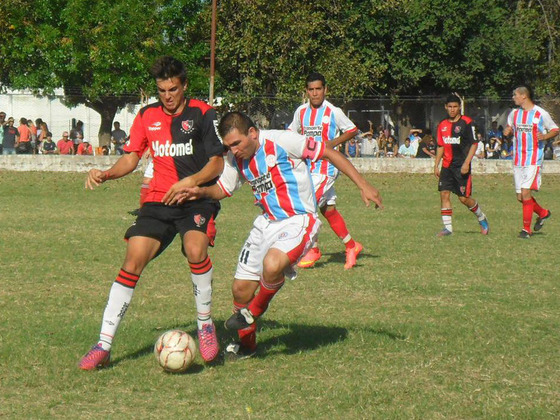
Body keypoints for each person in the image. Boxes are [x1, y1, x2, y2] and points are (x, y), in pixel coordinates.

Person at [162, 111, 383, 359]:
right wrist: (199, 192)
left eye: (236, 143)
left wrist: (363, 185)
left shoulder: (282, 141)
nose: (233, 150)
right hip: (266, 223)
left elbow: (329, 152)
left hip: (299, 219)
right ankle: (247, 346)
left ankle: (253, 312)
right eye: (228, 146)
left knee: (273, 264)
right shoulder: (235, 159)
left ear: (253, 133)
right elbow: (223, 188)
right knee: (240, 290)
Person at [78, 56, 225, 370]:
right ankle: (103, 345)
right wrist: (106, 173)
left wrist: (192, 182)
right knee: (133, 259)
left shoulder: (202, 113)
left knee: (195, 250)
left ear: (184, 85)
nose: (168, 96)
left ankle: (205, 325)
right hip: (158, 201)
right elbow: (131, 159)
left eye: (173, 89)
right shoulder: (146, 115)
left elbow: (217, 163)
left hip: (196, 198)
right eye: (162, 91)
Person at [289, 72, 364, 270]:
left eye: (318, 89)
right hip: (308, 168)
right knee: (328, 210)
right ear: (307, 92)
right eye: (311, 90)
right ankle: (351, 245)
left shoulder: (333, 111)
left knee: (307, 205)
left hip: (326, 168)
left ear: (325, 90)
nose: (315, 93)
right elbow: (291, 132)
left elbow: (352, 129)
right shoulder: (301, 112)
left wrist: (331, 144)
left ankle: (312, 248)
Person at [503, 86, 559, 238]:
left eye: (515, 95)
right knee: (521, 197)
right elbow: (509, 128)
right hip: (518, 159)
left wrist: (545, 137)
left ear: (523, 96)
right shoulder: (514, 114)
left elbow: (555, 129)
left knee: (526, 192)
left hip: (533, 158)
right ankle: (543, 213)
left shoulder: (541, 113)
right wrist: (507, 131)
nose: (513, 97)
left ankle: (526, 230)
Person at [434, 94, 489, 237]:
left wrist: (466, 163)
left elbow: (474, 144)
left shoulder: (467, 123)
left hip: (461, 166)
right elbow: (440, 145)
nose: (452, 109)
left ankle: (481, 217)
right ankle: (448, 228)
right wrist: (436, 165)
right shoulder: (442, 125)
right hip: (447, 166)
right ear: (446, 107)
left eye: (455, 107)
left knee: (463, 198)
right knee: (444, 194)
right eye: (450, 107)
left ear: (459, 107)